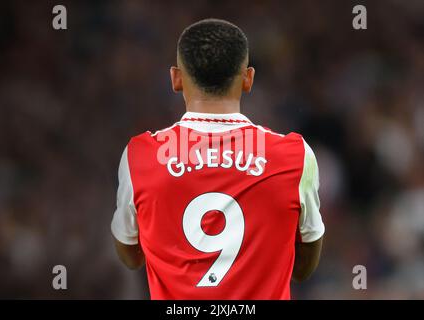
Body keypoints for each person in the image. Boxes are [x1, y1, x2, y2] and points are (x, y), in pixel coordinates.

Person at [111, 18, 324, 299]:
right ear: (248, 79)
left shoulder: (141, 156)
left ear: (176, 78)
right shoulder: (294, 156)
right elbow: (304, 265)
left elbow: (130, 255)